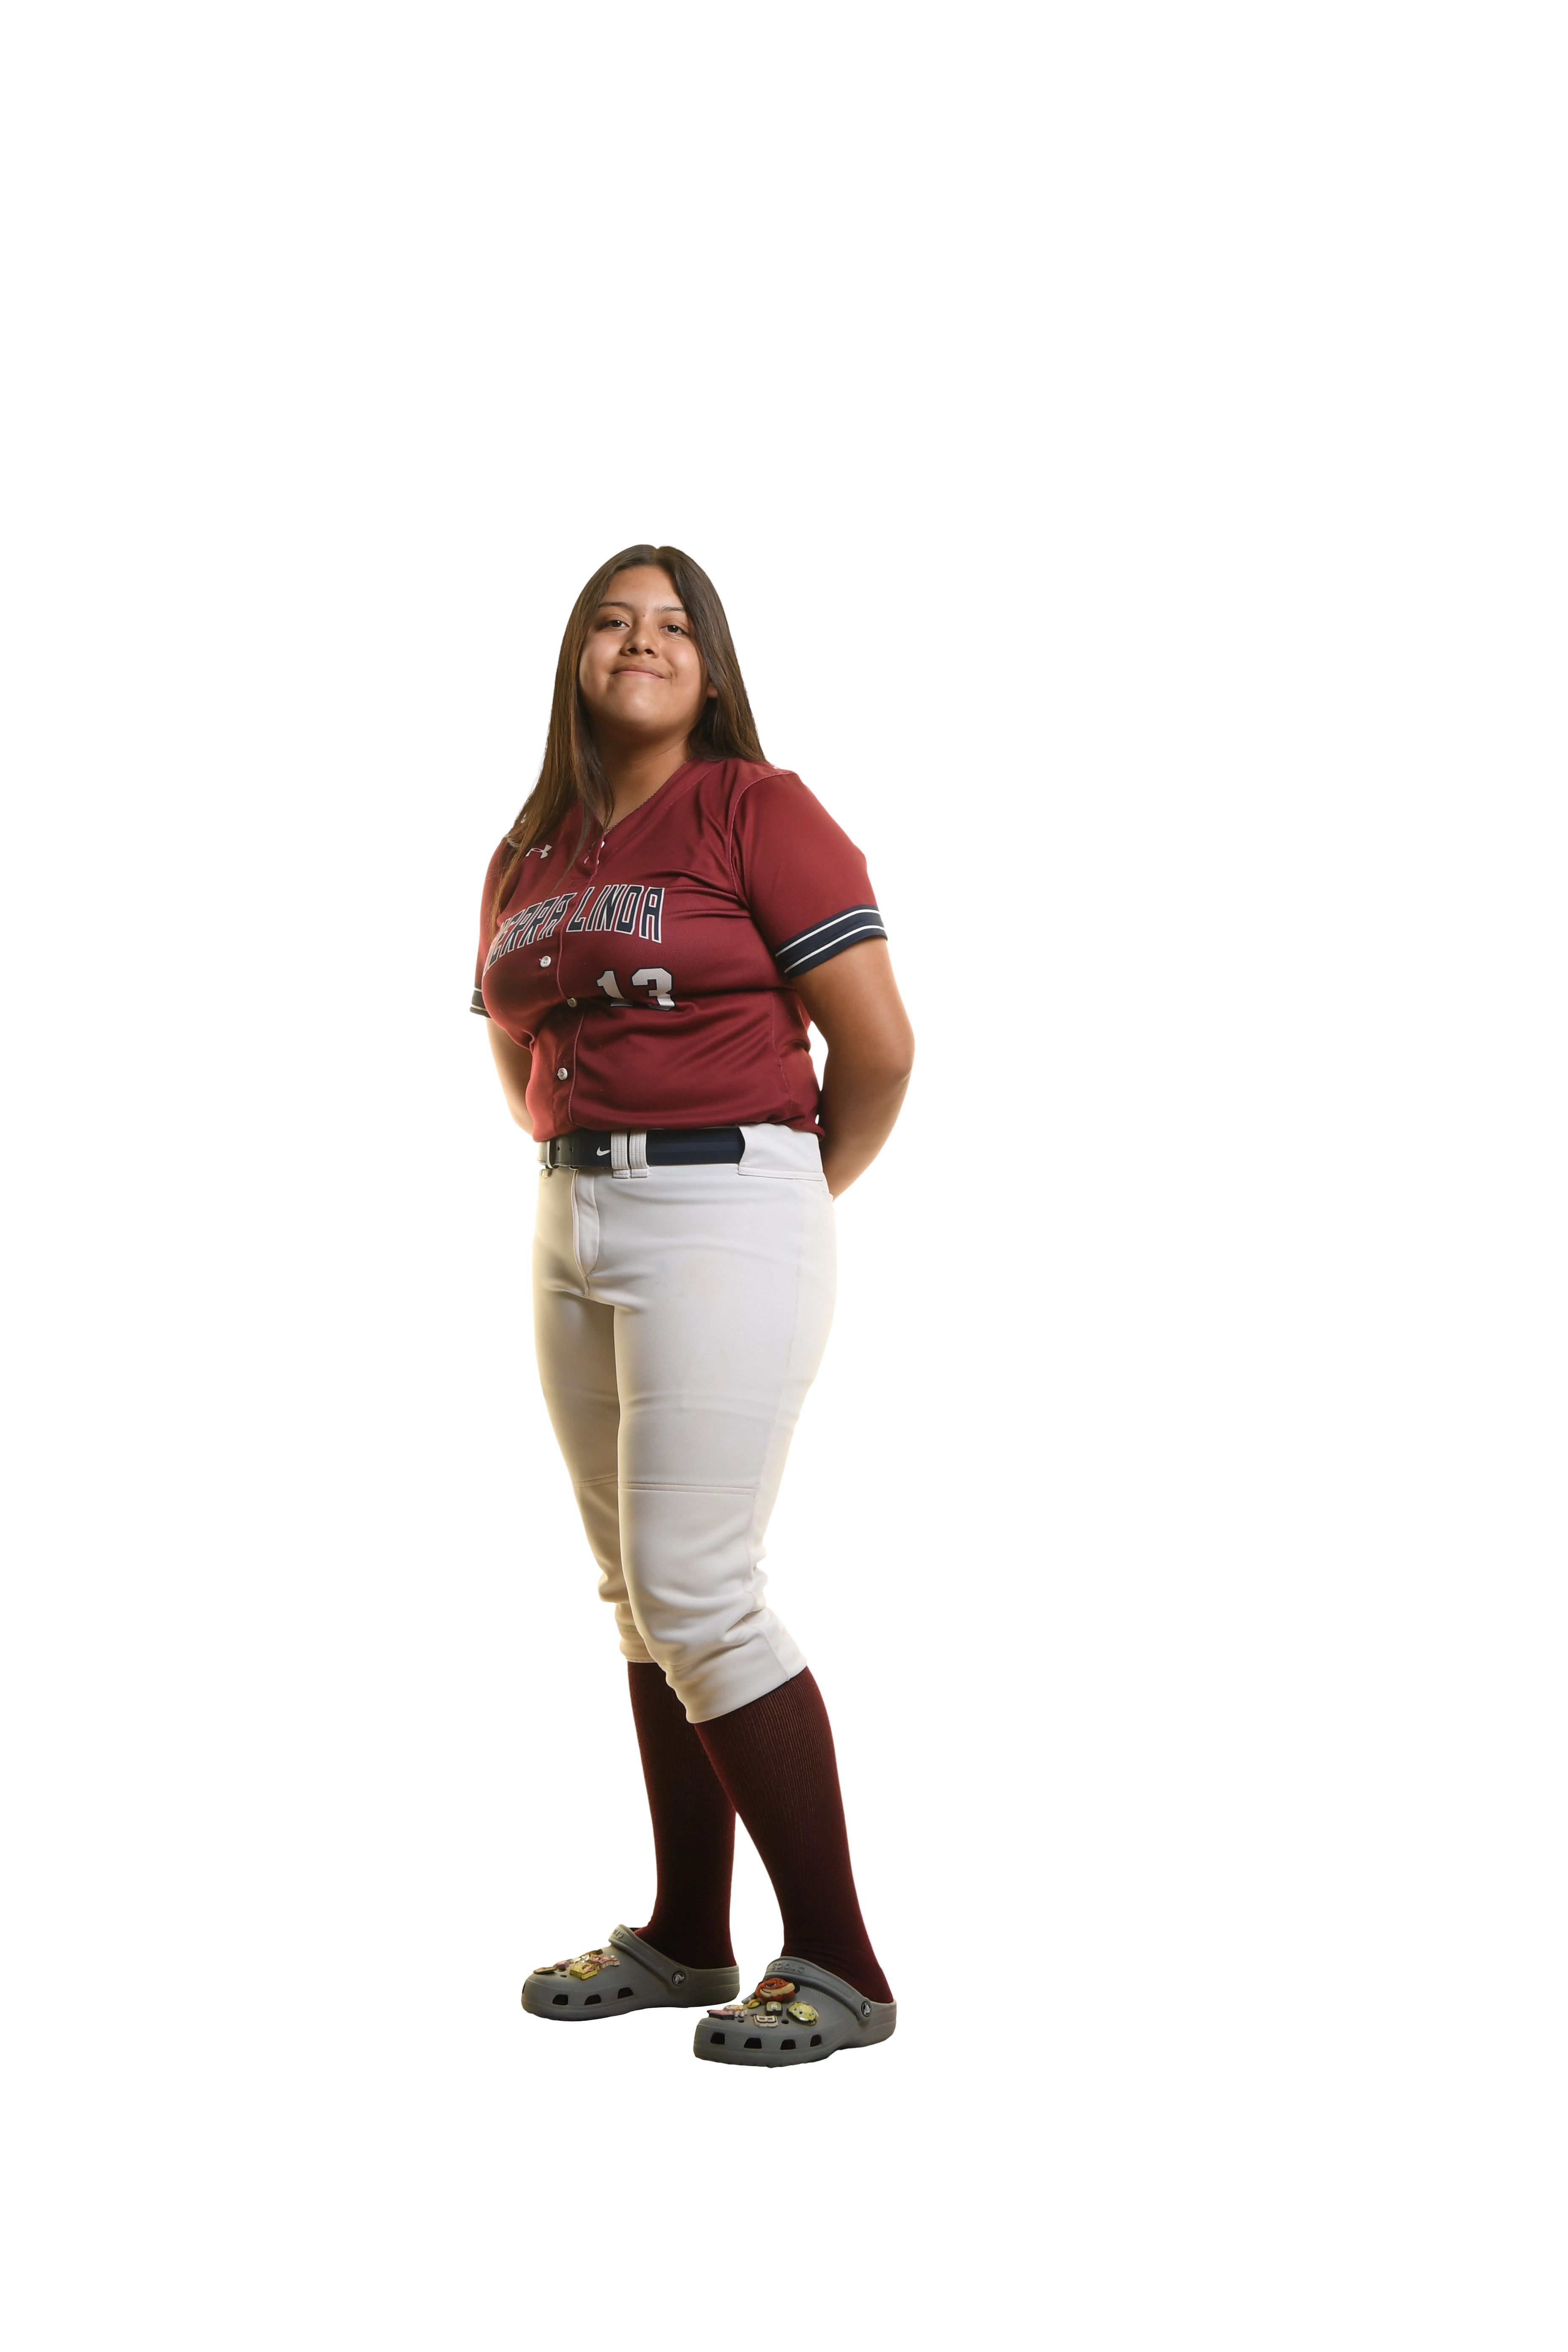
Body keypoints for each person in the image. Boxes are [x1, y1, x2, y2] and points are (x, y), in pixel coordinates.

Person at [473, 544, 915, 2068]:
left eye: (673, 624)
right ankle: (682, 1932)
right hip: (573, 1207)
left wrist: (781, 1190)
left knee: (698, 1586)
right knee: (636, 1593)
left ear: (712, 663)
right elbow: (516, 1045)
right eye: (611, 620)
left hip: (728, 1194)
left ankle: (840, 1961)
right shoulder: (528, 852)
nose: (641, 642)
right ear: (573, 657)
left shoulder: (757, 811)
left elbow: (880, 1050)